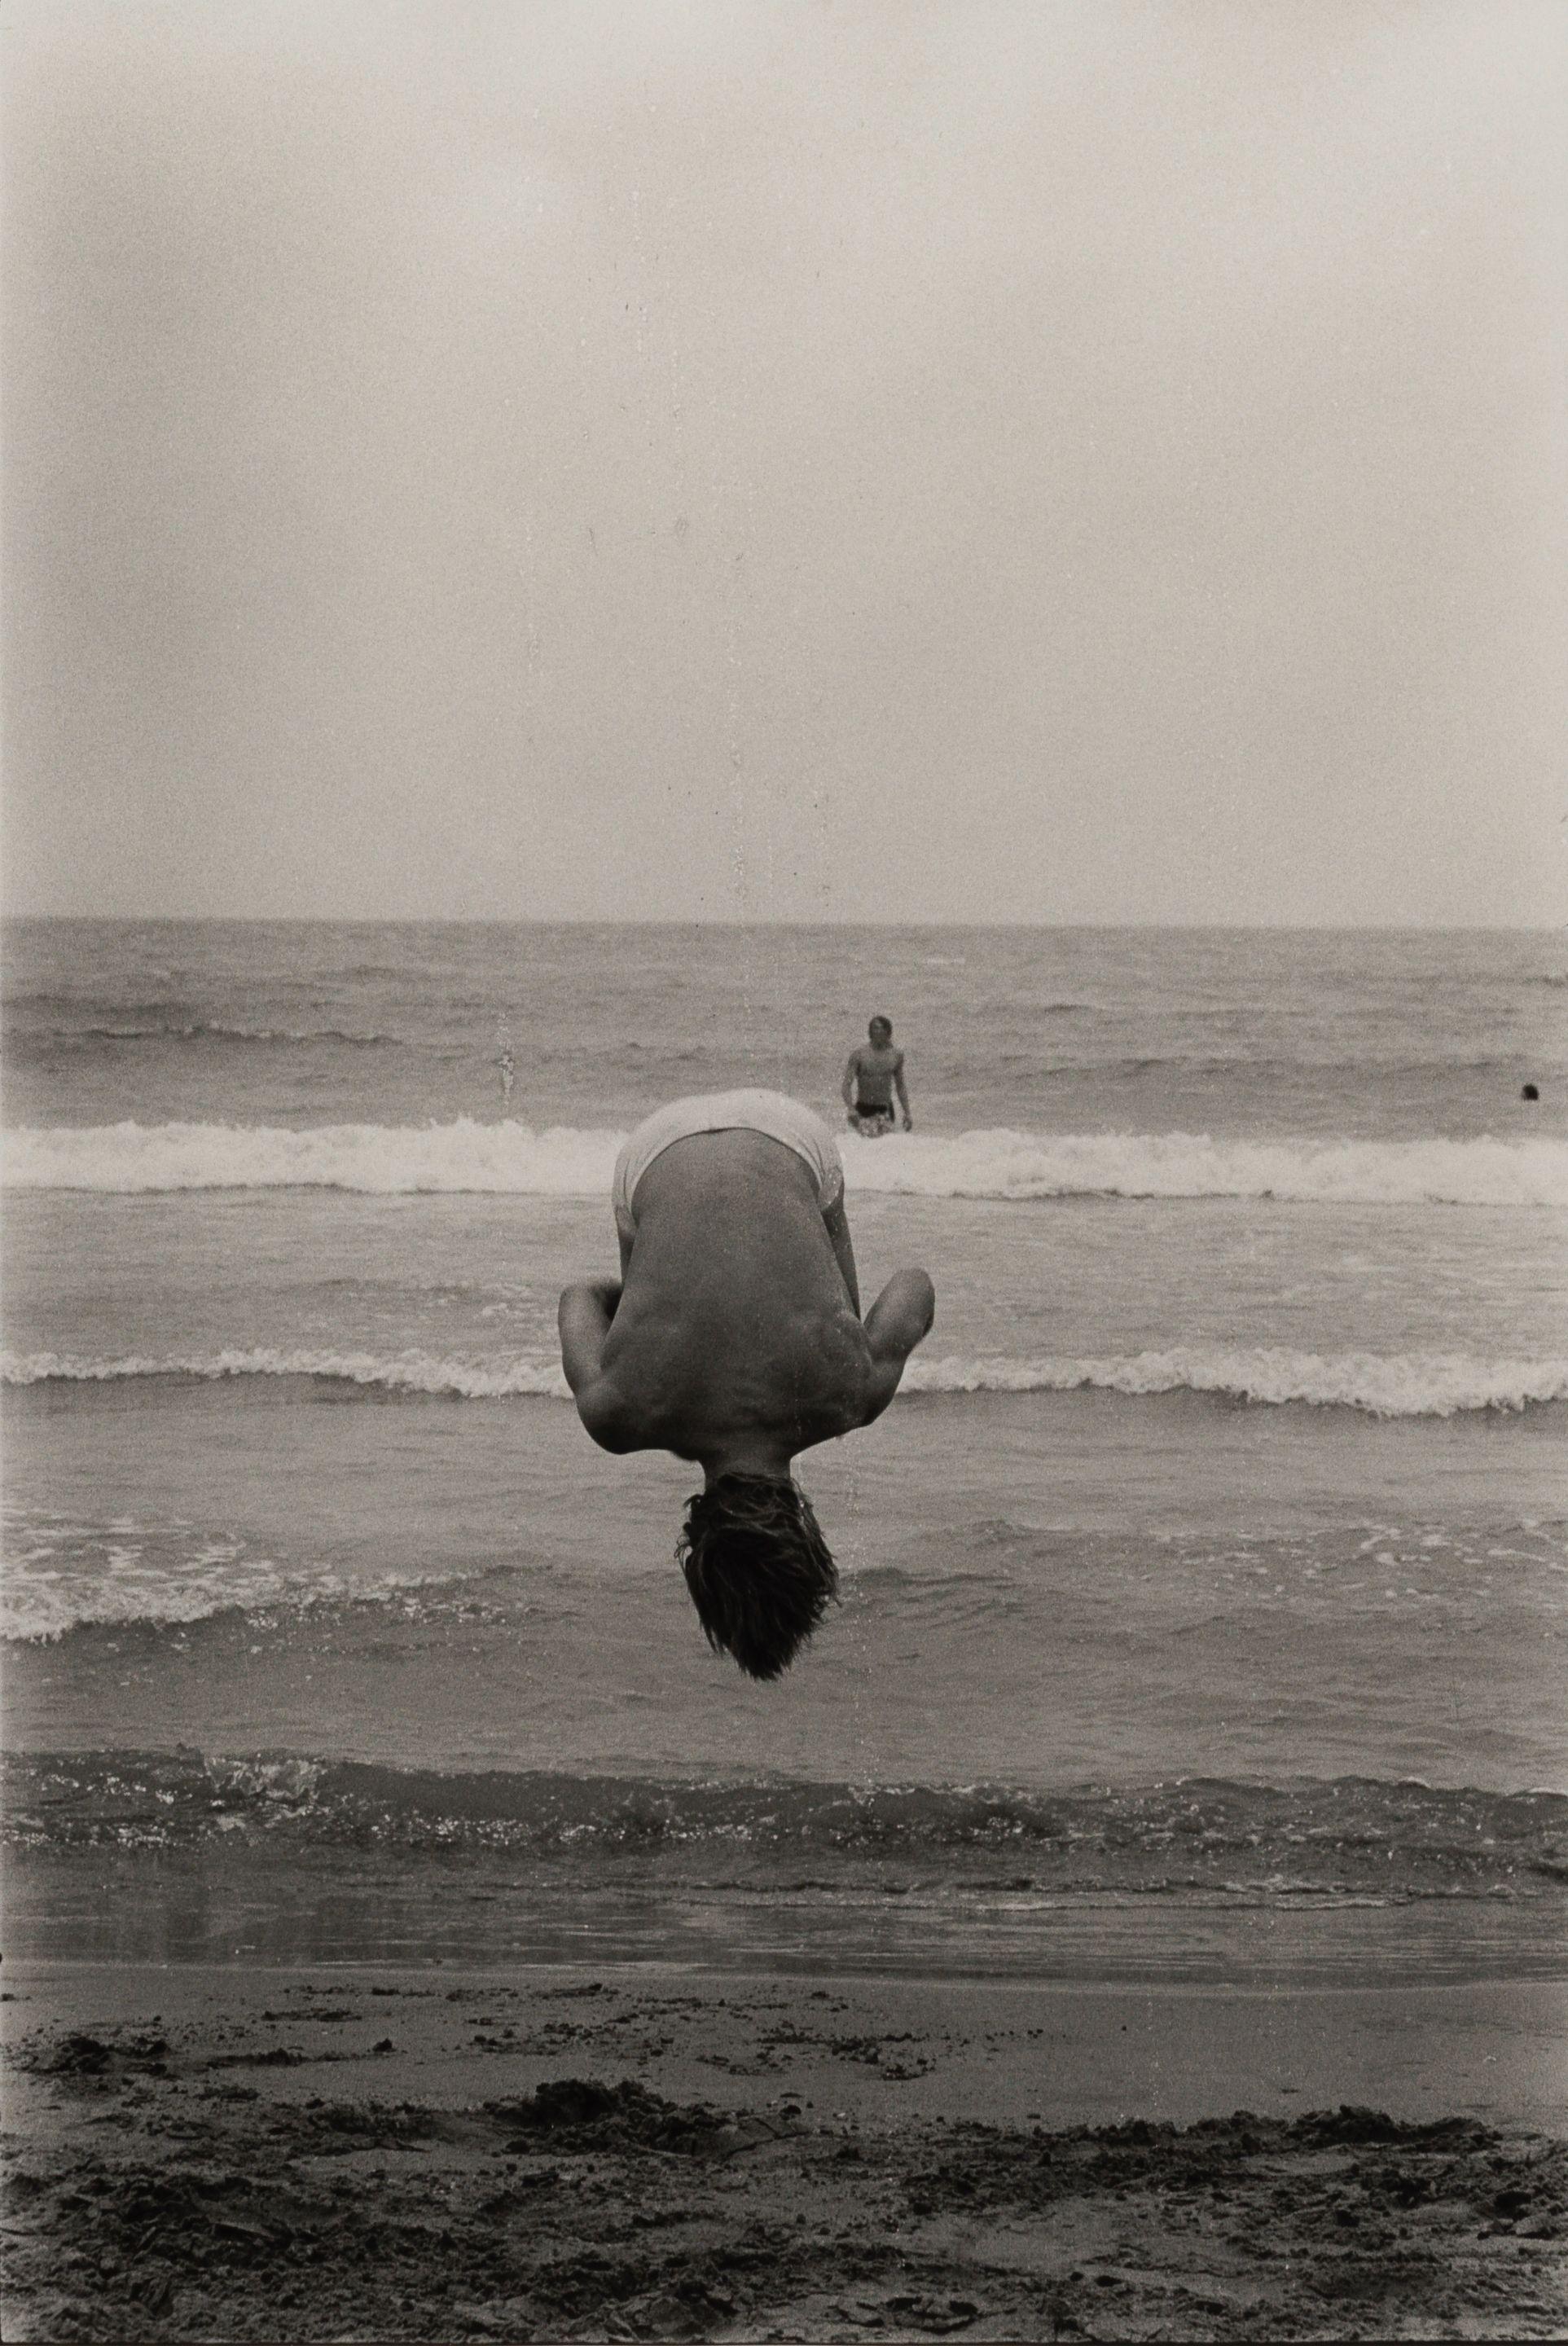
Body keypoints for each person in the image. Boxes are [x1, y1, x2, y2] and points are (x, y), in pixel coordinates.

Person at [558, 1090, 935, 1680]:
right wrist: (650, 1296)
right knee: (639, 1281)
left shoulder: (849, 1397)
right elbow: (578, 1297)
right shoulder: (617, 1414)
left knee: (847, 1316)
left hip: (788, 1133)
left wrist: (868, 1361)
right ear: (697, 1542)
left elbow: (915, 1283)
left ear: (805, 1525)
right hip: (652, 1148)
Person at [841, 1015, 911, 1136]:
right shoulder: (859, 1055)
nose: (878, 1032)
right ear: (870, 1032)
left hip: (885, 1110)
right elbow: (846, 1086)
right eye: (875, 1028)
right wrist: (851, 1109)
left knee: (885, 1148)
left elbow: (900, 1086)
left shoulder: (896, 1055)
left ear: (888, 1032)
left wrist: (907, 1113)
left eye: (882, 1029)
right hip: (863, 1109)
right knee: (863, 1148)